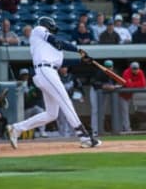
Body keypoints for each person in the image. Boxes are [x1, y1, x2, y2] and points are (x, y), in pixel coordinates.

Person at [6, 17, 101, 148]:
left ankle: (16, 128)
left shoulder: (52, 48)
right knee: (66, 102)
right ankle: (84, 137)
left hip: (49, 72)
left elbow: (61, 63)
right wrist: (78, 50)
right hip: (45, 71)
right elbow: (57, 41)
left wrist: (82, 61)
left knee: (52, 114)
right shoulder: (38, 30)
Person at [89, 59, 120, 136]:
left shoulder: (114, 73)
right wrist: (103, 86)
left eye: (110, 67)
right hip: (95, 92)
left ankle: (100, 129)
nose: (109, 68)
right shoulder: (99, 72)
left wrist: (115, 86)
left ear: (112, 67)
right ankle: (94, 130)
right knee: (95, 110)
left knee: (102, 111)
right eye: (107, 67)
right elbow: (93, 82)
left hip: (104, 93)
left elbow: (119, 82)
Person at [57, 66, 85, 137]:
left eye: (65, 67)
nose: (63, 69)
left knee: (71, 115)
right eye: (62, 68)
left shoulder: (72, 77)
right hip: (60, 100)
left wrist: (81, 95)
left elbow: (79, 86)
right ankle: (63, 134)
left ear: (67, 68)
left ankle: (73, 133)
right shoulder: (56, 77)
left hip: (70, 99)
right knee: (62, 118)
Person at [18, 68, 48, 138]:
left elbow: (39, 95)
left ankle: (42, 131)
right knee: (25, 120)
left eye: (26, 75)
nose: (25, 77)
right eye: (23, 75)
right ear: (20, 76)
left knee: (41, 112)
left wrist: (34, 94)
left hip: (33, 105)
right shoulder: (18, 84)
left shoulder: (32, 84)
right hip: (24, 108)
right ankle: (25, 133)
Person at [119, 62, 146, 132]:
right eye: (134, 69)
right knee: (124, 112)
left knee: (127, 112)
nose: (135, 70)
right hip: (122, 95)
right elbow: (128, 85)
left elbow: (143, 84)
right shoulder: (126, 72)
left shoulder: (140, 72)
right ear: (131, 69)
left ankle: (124, 128)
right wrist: (137, 83)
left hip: (130, 95)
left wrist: (133, 83)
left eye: (136, 68)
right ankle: (127, 129)